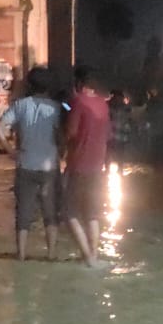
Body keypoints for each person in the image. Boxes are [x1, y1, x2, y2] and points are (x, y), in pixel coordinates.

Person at [0, 65, 62, 262]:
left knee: (23, 211)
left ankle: (21, 255)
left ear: (29, 85)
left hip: (25, 164)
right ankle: (51, 254)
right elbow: (62, 133)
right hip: (49, 166)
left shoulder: (20, 105)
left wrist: (10, 151)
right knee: (50, 211)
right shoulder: (56, 107)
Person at [64, 65, 111, 266]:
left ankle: (87, 257)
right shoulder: (103, 104)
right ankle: (95, 255)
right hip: (97, 165)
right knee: (92, 213)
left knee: (69, 213)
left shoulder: (78, 102)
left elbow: (71, 132)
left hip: (79, 164)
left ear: (78, 82)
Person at [108, 89, 132, 163]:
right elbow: (129, 121)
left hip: (114, 135)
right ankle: (118, 167)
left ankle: (112, 167)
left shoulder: (108, 105)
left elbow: (129, 121)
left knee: (111, 153)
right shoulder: (127, 108)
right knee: (118, 154)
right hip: (117, 135)